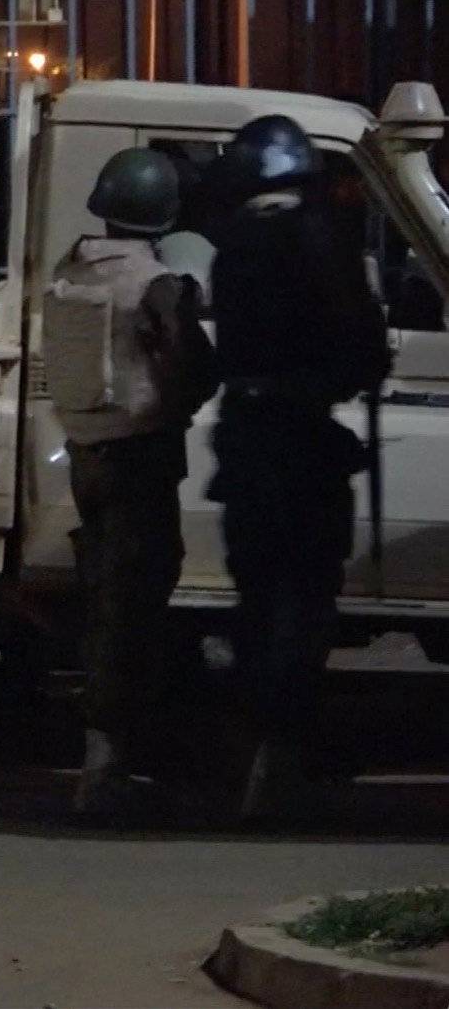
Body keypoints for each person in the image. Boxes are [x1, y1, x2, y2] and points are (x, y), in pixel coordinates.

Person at [206, 116, 389, 820]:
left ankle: (245, 752)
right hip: (302, 441)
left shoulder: (235, 246)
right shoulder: (318, 235)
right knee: (303, 605)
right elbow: (358, 348)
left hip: (247, 440)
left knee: (258, 603)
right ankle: (278, 761)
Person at [41, 148, 217, 817]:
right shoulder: (156, 283)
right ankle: (105, 772)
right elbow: (196, 370)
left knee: (109, 599)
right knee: (132, 609)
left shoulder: (70, 269)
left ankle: (114, 757)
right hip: (141, 456)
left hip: (87, 451)